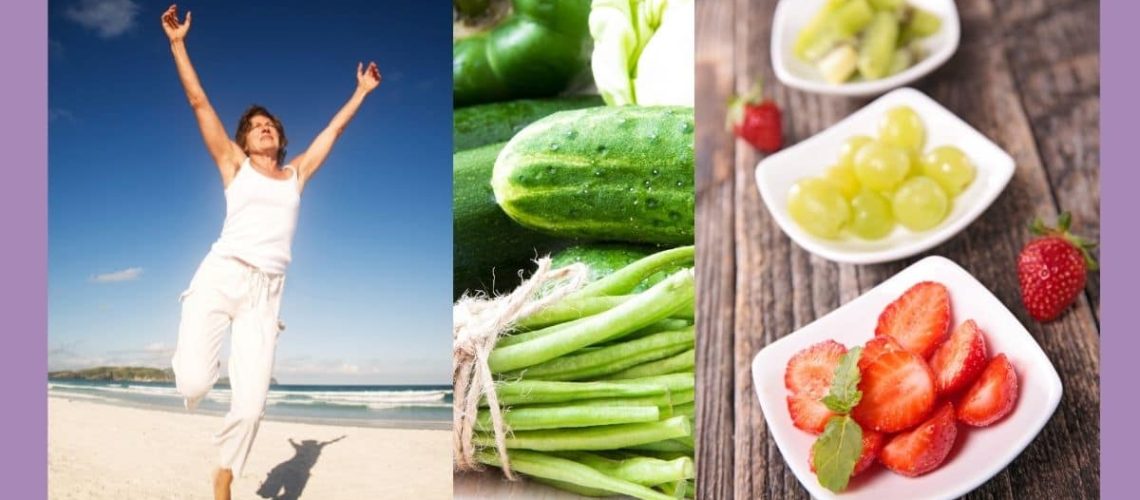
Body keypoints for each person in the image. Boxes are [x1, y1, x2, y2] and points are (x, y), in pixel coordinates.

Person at [159, 5, 381, 499]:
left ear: (280, 140)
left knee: (253, 404)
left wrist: (361, 92)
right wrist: (178, 44)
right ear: (243, 140)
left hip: (266, 296)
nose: (263, 128)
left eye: (270, 125)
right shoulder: (233, 166)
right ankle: (195, 339)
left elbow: (333, 133)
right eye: (255, 125)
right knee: (194, 383)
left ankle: (224, 473)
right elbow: (199, 103)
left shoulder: (295, 176)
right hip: (222, 276)